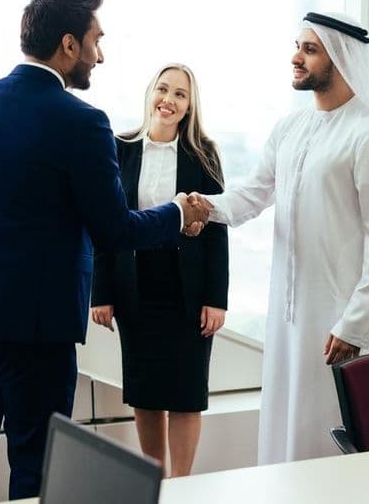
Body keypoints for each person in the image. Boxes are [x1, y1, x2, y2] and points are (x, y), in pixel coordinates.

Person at [0, 0, 209, 502]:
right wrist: (178, 213)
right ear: (69, 44)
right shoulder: (83, 121)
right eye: (96, 39)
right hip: (33, 323)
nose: (100, 54)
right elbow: (114, 230)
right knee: (37, 462)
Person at [189, 12, 369, 463]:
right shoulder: (290, 127)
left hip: (337, 321)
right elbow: (254, 193)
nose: (296, 58)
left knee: (330, 437)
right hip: (287, 319)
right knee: (284, 429)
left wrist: (355, 323)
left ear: (340, 56)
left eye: (309, 50)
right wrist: (206, 207)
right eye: (298, 46)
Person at [90, 63, 228, 477]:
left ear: (189, 107)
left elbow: (218, 230)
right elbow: (103, 224)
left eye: (180, 94)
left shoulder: (203, 153)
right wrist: (102, 292)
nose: (169, 100)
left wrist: (216, 299)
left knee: (186, 395)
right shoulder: (120, 148)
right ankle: (155, 483)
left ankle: (180, 487)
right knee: (146, 394)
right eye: (163, 90)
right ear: (150, 94)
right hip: (135, 285)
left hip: (187, 289)